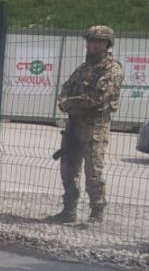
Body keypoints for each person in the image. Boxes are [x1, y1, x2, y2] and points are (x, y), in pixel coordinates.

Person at [48, 25, 124, 225]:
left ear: (107, 44)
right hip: (74, 124)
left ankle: (96, 212)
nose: (93, 45)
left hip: (95, 126)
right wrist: (64, 100)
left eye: (98, 42)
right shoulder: (83, 68)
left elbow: (98, 97)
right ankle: (69, 210)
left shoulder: (112, 68)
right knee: (69, 168)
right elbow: (66, 87)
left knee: (93, 170)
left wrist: (70, 102)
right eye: (90, 41)